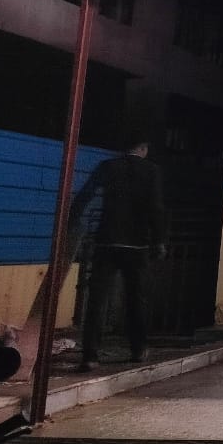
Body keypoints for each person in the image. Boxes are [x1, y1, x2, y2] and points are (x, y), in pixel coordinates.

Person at [69, 135, 167, 371]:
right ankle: (138, 349)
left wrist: (73, 221)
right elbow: (156, 207)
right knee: (136, 298)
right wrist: (159, 240)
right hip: (137, 244)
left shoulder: (108, 167)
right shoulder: (152, 171)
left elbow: (85, 195)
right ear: (143, 148)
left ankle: (90, 355)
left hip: (107, 241)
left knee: (97, 299)